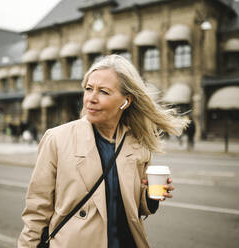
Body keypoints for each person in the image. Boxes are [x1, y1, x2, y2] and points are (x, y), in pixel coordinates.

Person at [18, 55, 189, 248]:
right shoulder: (57, 139)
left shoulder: (138, 144)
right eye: (89, 89)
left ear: (126, 101)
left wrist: (150, 195)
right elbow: (36, 211)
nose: (91, 98)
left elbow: (136, 209)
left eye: (103, 92)